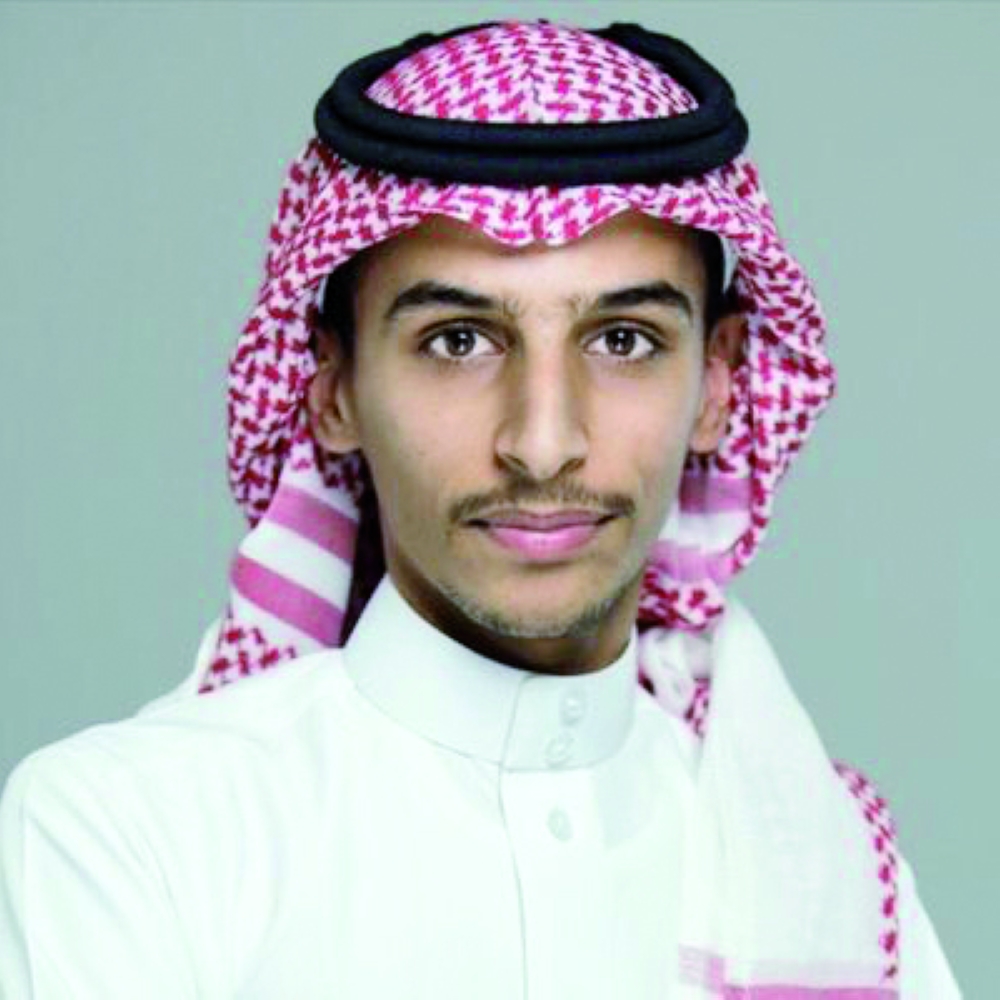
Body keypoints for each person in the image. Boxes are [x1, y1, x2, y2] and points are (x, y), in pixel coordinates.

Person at [0, 18, 960, 998]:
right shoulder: (134, 837)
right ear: (332, 388)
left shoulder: (834, 883)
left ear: (717, 382)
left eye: (623, 340)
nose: (542, 443)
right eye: (458, 340)